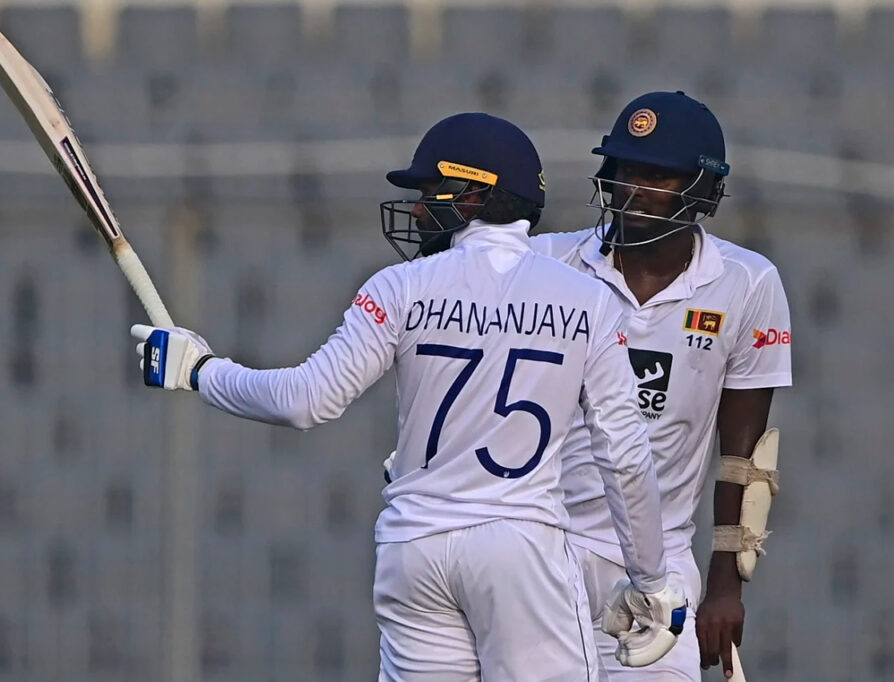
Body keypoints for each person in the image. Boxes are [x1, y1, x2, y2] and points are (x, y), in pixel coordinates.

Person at [130, 112, 685, 681]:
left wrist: (200, 371)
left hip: (414, 548)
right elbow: (623, 455)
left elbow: (304, 399)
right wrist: (651, 580)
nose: (418, 209)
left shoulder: (401, 287)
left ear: (475, 192)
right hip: (520, 549)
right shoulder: (588, 301)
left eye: (429, 191)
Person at [529, 91, 793, 680]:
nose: (633, 189)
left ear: (702, 190)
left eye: (657, 176)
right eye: (625, 171)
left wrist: (727, 584)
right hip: (540, 550)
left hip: (658, 567)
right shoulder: (547, 264)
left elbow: (744, 457)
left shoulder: (747, 283)